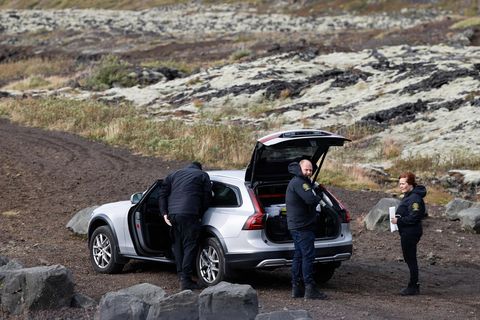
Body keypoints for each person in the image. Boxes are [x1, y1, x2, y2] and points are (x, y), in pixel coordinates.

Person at [159, 161, 212, 290]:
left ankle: (181, 275)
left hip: (173, 215)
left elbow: (162, 194)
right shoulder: (202, 175)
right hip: (189, 213)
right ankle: (186, 280)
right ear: (200, 168)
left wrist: (164, 213)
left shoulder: (173, 175)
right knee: (190, 245)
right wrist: (200, 212)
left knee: (177, 245)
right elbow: (207, 197)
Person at [285, 159, 327, 300]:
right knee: (308, 256)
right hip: (302, 226)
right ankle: (310, 289)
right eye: (306, 170)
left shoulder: (299, 181)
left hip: (297, 225)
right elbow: (310, 199)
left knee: (299, 256)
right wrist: (318, 196)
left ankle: (296, 288)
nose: (309, 172)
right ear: (300, 168)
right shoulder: (299, 182)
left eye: (310, 170)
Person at [391, 171, 427, 296]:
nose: (401, 186)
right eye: (400, 184)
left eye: (403, 183)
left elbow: (415, 217)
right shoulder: (408, 195)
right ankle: (414, 285)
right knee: (409, 258)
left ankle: (413, 286)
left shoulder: (415, 198)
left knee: (411, 259)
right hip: (407, 231)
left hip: (411, 232)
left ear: (410, 184)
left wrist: (398, 220)